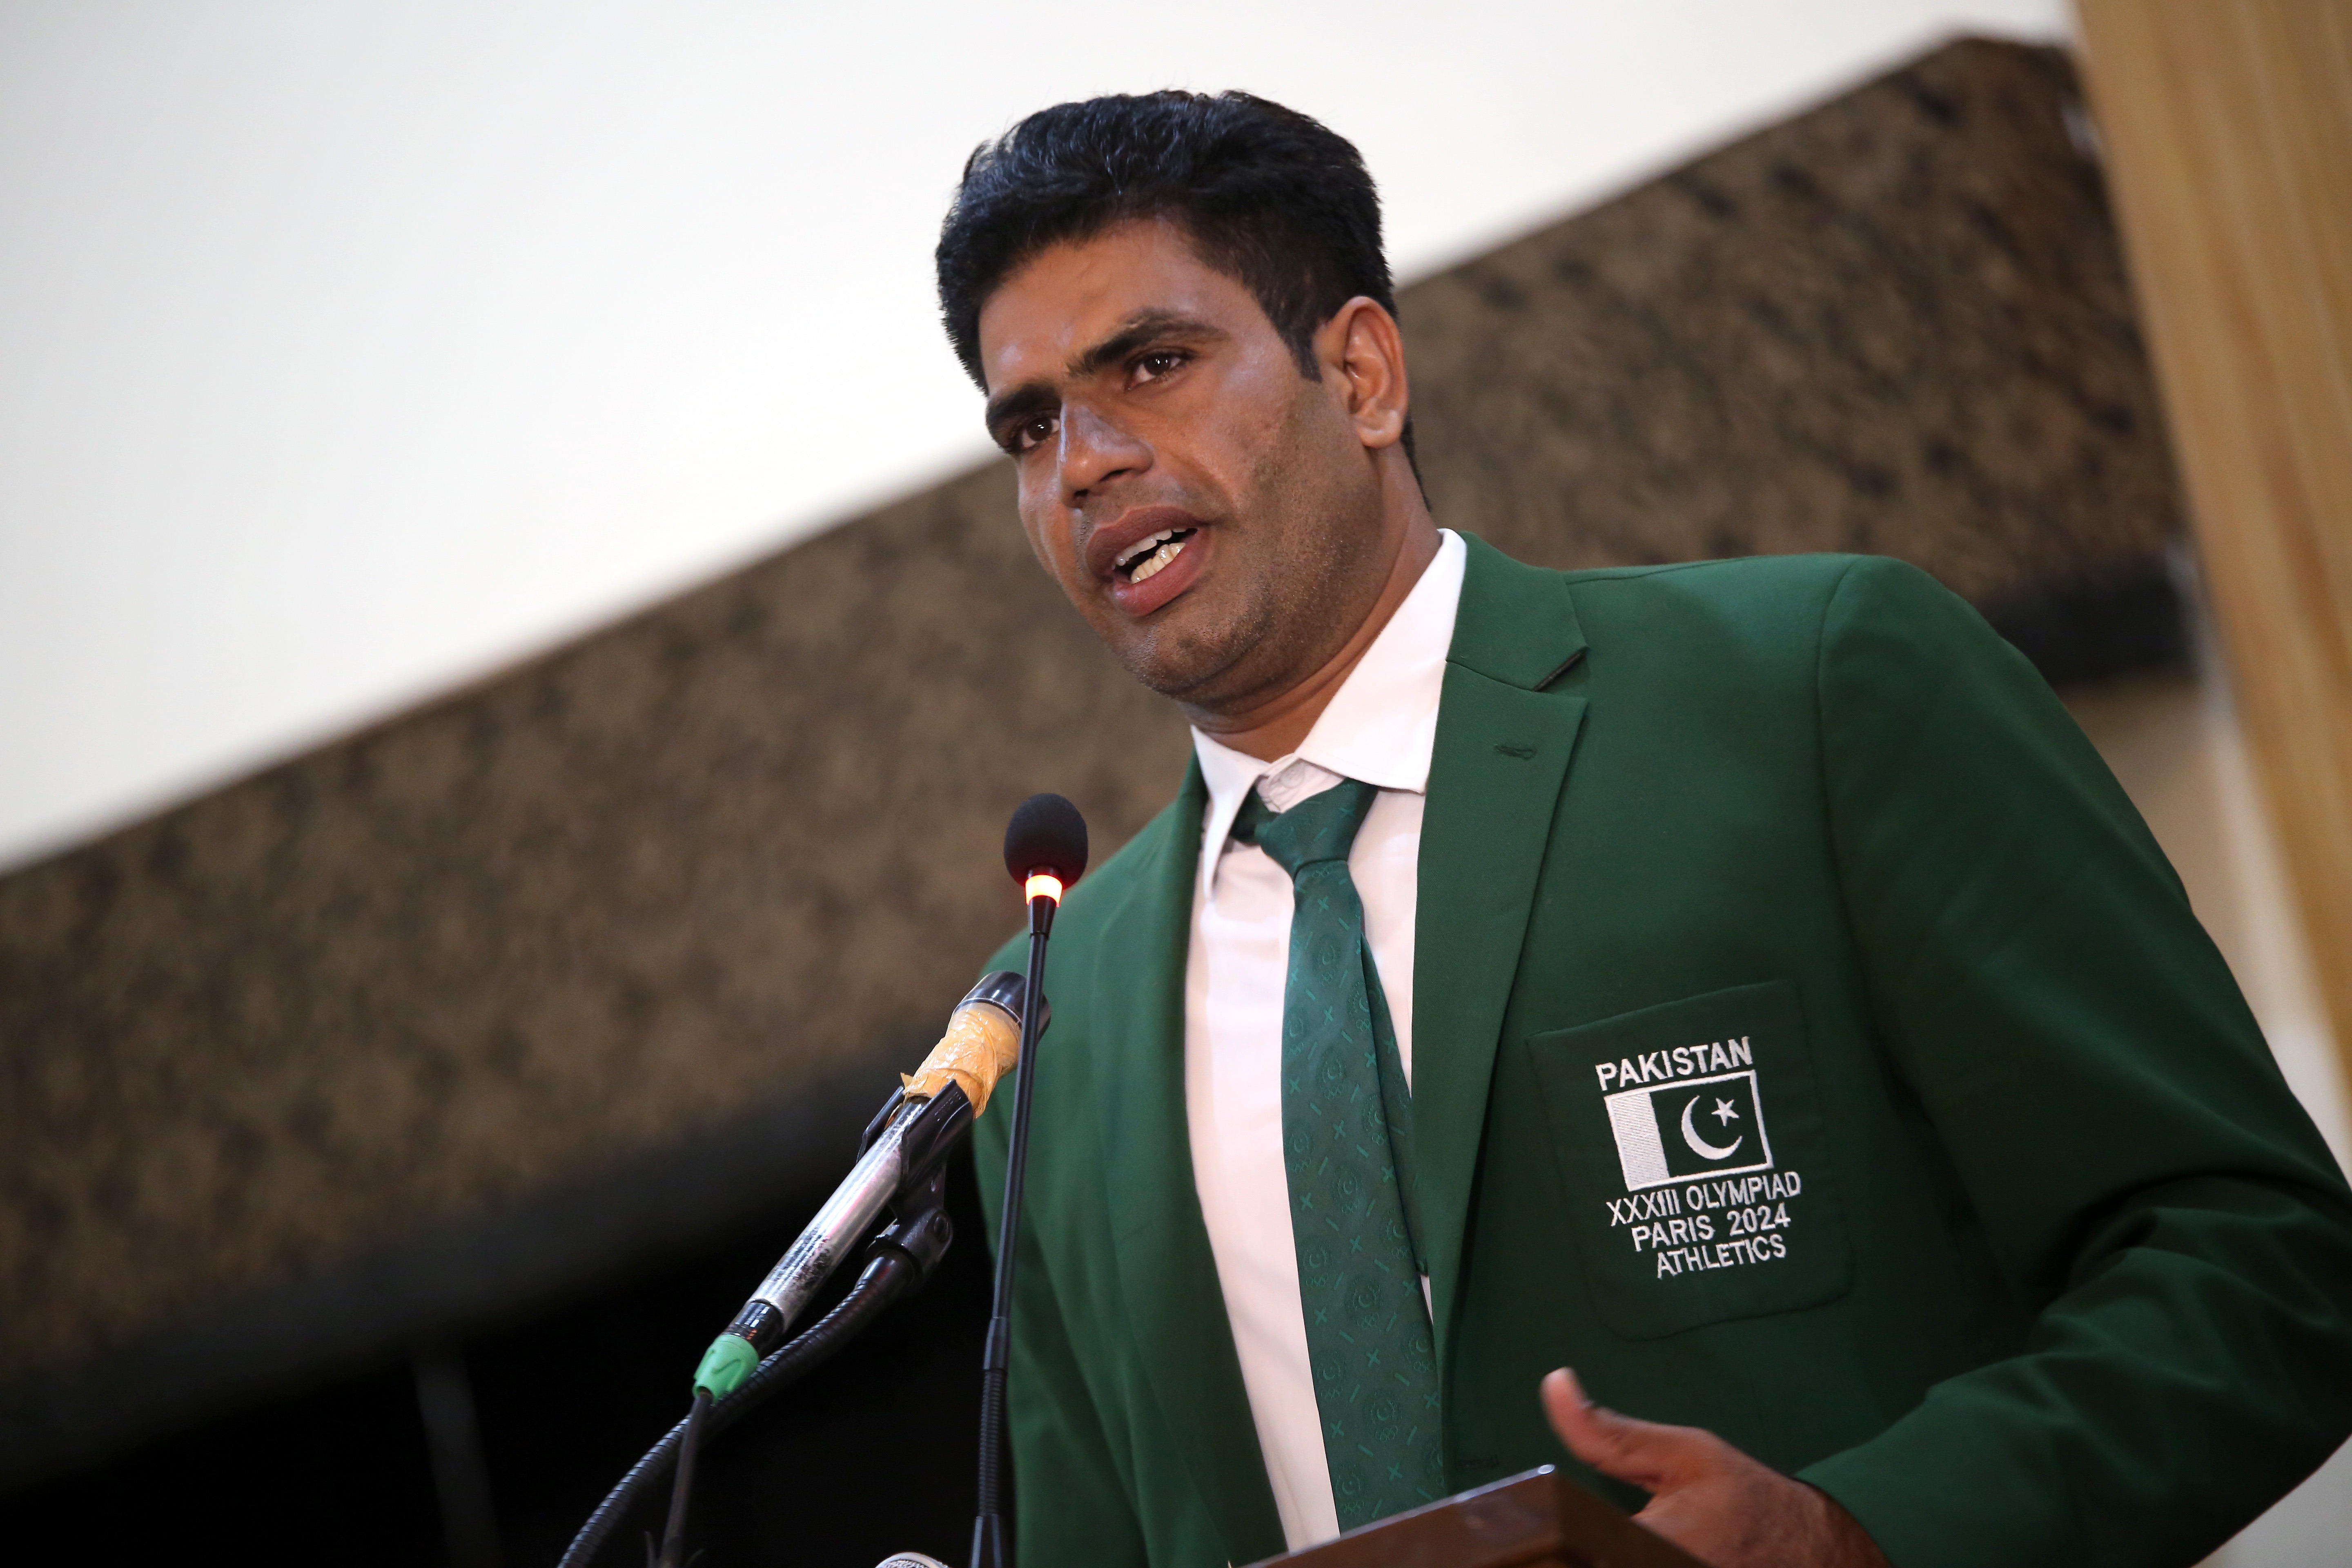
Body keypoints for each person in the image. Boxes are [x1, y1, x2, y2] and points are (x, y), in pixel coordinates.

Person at [944, 91, 2352, 1568]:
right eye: (1029, 427)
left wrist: (1862, 1530)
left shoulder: (1812, 687)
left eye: (1154, 365)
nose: (1085, 461)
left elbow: (2264, 1265)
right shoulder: (1049, 1025)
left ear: (1361, 374)